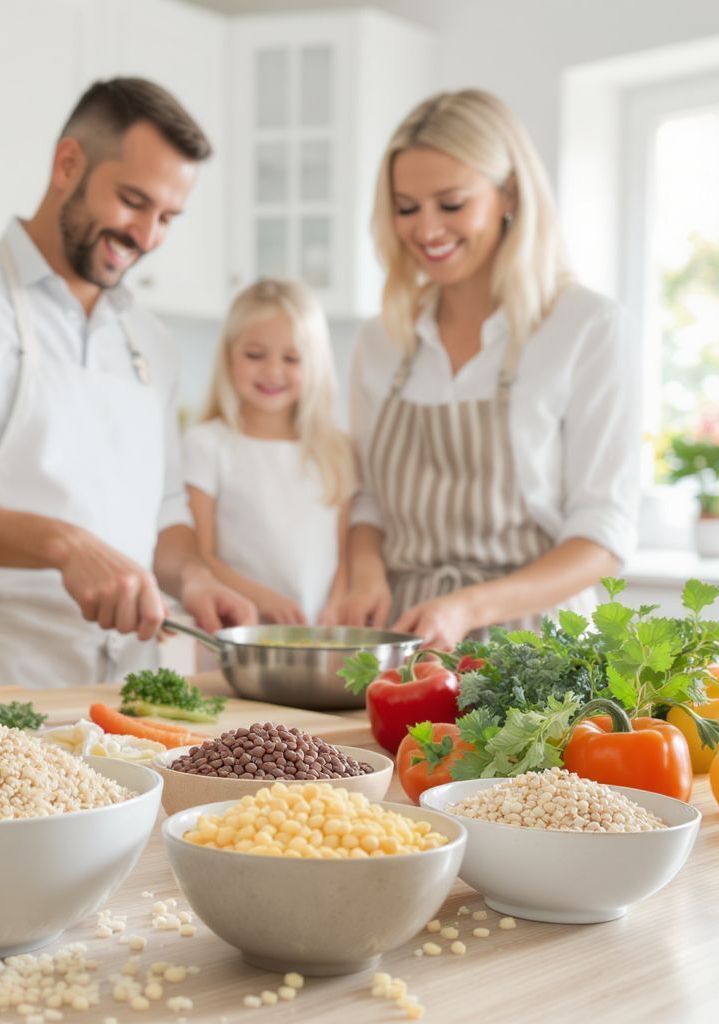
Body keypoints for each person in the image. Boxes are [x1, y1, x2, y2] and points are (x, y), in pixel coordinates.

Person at [0, 78, 255, 690]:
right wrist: (65, 545)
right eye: (132, 200)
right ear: (68, 163)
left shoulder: (151, 340)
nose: (148, 237)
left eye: (168, 217)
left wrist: (194, 578)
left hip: (125, 693)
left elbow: (166, 511)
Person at [339, 89, 639, 650]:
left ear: (509, 194)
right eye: (407, 207)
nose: (426, 229)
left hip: (543, 650)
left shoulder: (586, 326)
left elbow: (602, 534)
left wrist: (470, 606)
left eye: (450, 204)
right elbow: (369, 500)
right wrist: (365, 574)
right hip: (408, 645)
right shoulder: (382, 339)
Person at [183, 278, 357, 626]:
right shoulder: (206, 444)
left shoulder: (335, 450)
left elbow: (344, 554)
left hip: (317, 635)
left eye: (291, 358)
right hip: (236, 630)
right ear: (229, 355)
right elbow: (201, 557)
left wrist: (334, 609)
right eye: (255, 355)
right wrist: (260, 600)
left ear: (315, 364)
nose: (273, 371)